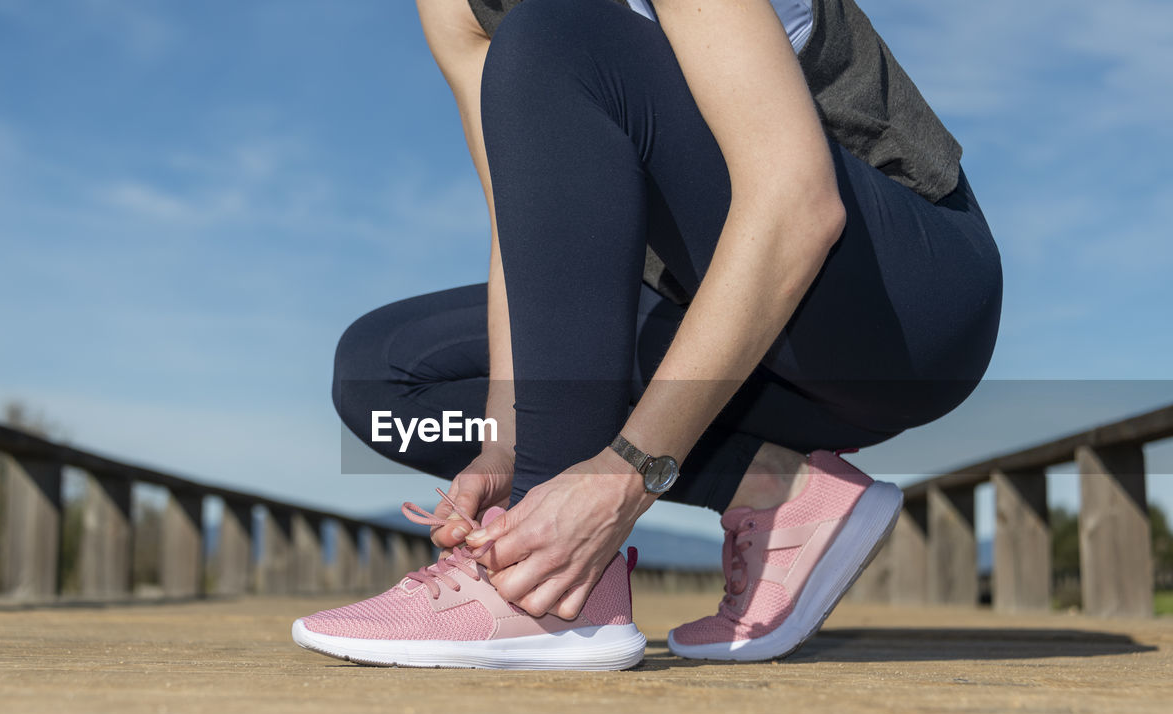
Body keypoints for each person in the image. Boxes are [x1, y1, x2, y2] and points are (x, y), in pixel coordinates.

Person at [292, 0, 1001, 669]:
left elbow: (798, 206)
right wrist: (506, 445)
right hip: (719, 315)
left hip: (898, 308)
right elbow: (531, 237)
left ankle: (551, 599)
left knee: (559, 29)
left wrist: (629, 473)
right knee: (382, 378)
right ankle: (776, 487)